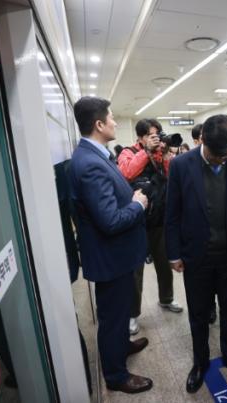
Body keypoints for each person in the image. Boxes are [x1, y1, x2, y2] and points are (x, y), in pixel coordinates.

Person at [165, 114, 227, 394]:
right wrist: (173, 253)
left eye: (226, 156)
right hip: (196, 256)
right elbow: (173, 213)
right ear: (202, 141)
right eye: (217, 156)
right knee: (198, 314)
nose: (222, 161)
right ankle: (200, 362)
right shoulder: (181, 165)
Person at [69, 97, 152, 394]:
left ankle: (121, 345)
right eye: (112, 117)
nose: (116, 122)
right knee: (113, 316)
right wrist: (137, 204)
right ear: (99, 124)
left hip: (118, 255)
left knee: (118, 311)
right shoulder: (89, 164)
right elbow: (110, 221)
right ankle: (116, 375)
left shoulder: (95, 156)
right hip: (111, 257)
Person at [118, 119, 183, 336]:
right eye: (150, 135)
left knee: (164, 263)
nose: (155, 138)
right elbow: (126, 173)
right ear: (140, 137)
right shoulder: (128, 152)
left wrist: (165, 156)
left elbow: (172, 178)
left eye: (158, 134)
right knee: (135, 270)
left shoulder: (160, 154)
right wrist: (146, 151)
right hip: (136, 221)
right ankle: (132, 314)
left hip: (160, 219)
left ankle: (167, 298)